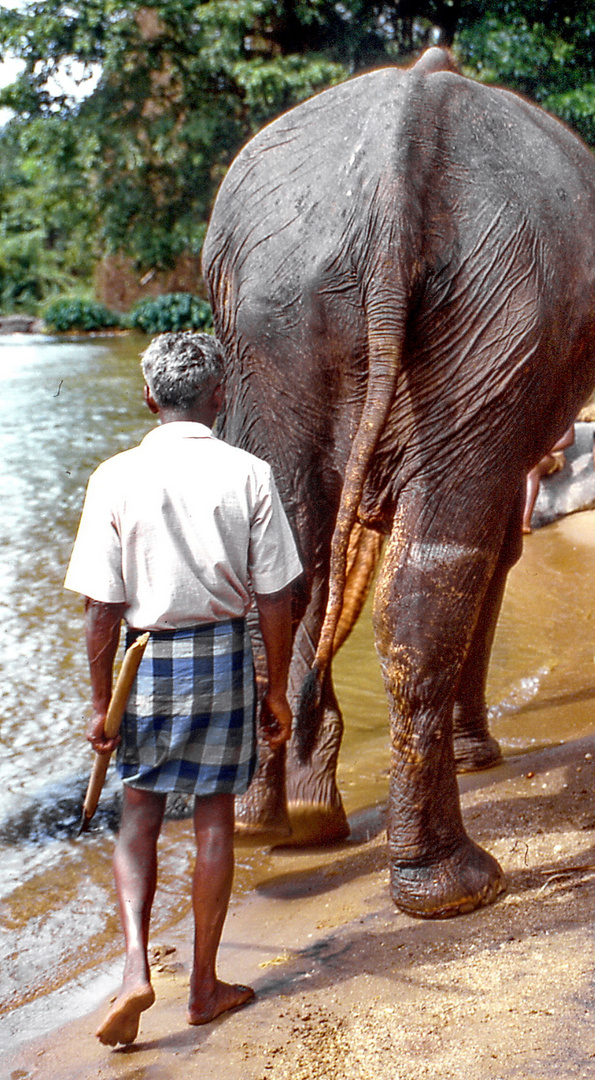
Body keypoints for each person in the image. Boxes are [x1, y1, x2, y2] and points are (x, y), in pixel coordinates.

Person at [64, 332, 303, 1046]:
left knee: (137, 821)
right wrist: (277, 688)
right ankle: (202, 986)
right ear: (220, 397)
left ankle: (136, 968)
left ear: (148, 397)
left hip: (147, 664)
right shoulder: (249, 473)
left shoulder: (114, 476)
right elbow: (276, 599)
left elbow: (100, 610)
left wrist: (102, 702)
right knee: (213, 823)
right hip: (224, 656)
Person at [522, 425, 575, 534]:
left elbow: (568, 440)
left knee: (533, 470)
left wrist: (543, 450)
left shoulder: (565, 412)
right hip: (532, 453)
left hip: (553, 456)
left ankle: (525, 522)